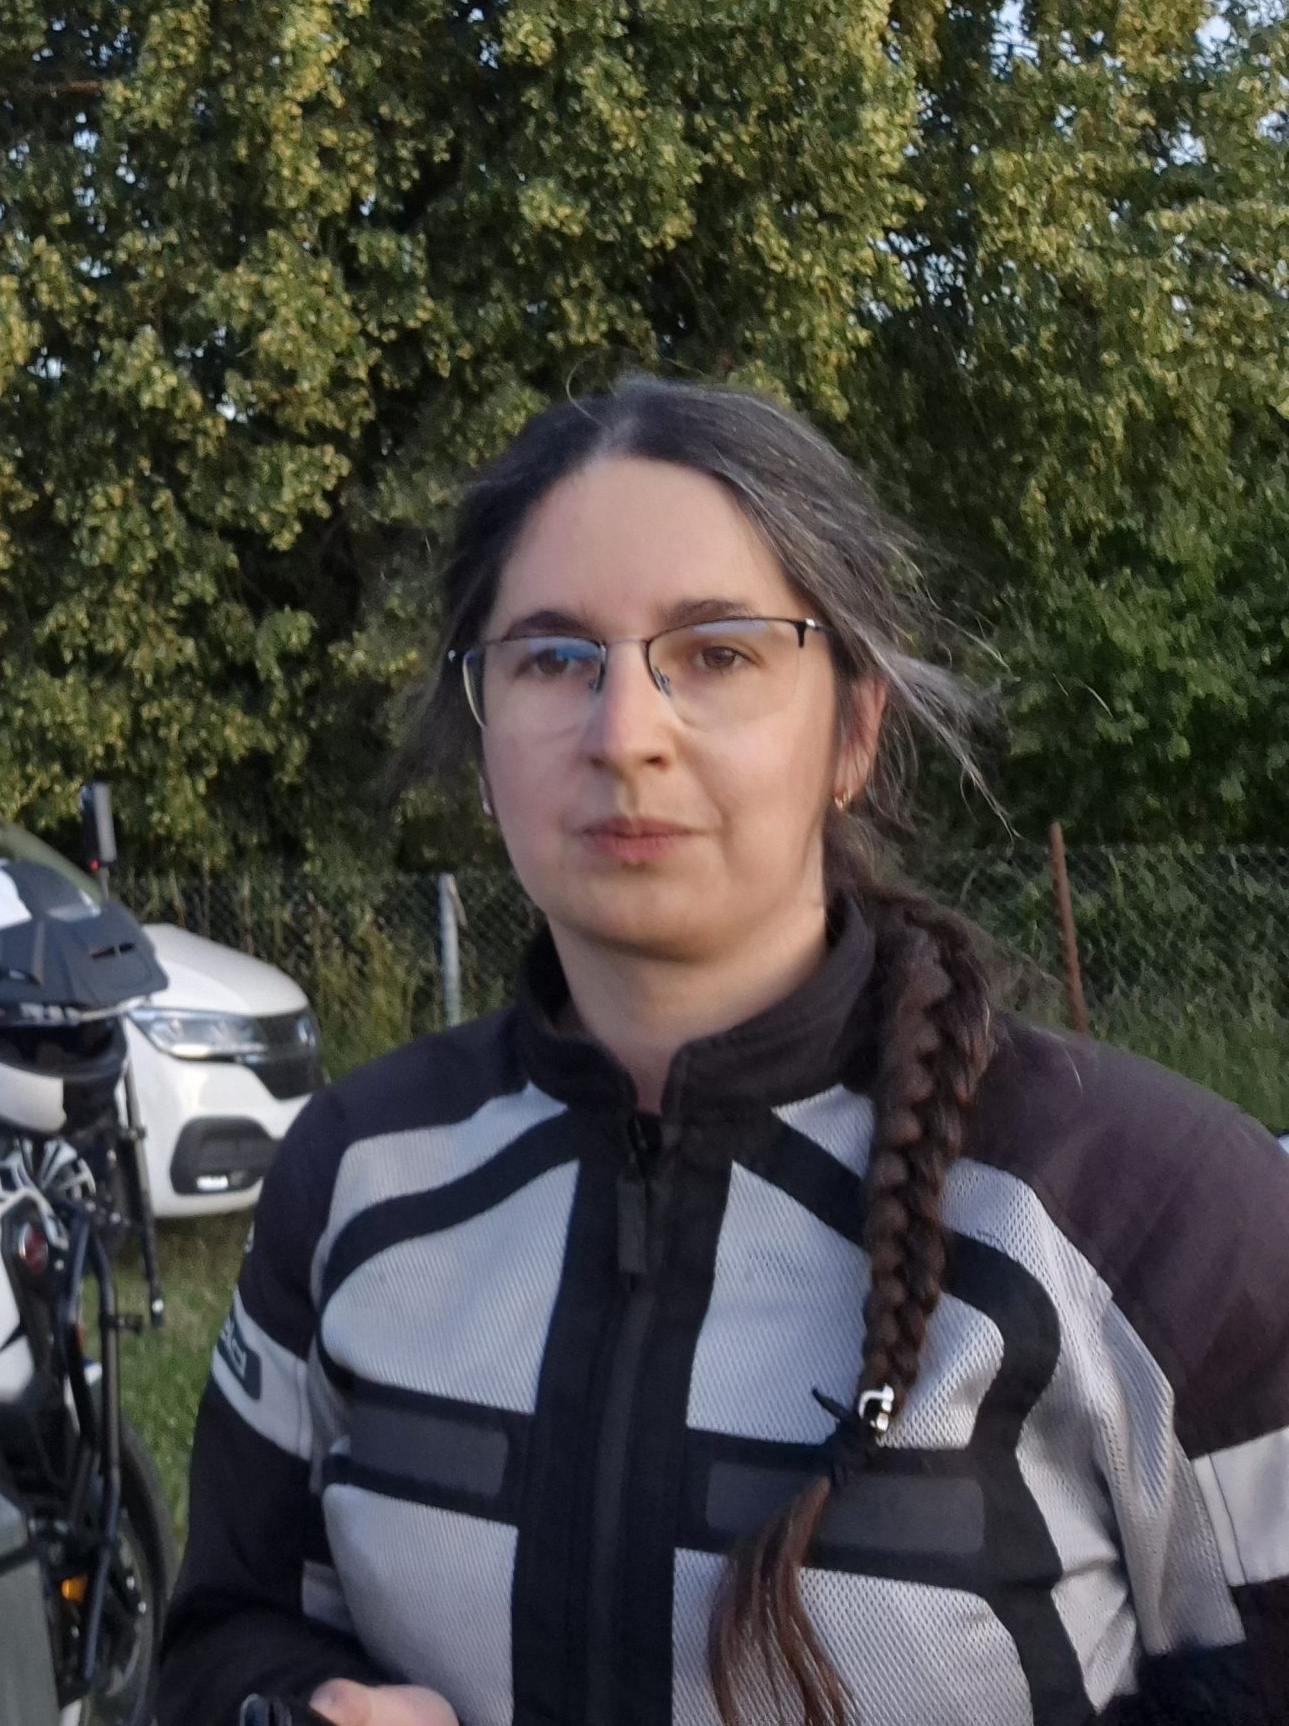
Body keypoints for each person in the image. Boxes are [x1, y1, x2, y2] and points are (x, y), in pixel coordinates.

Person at [156, 378, 1289, 1726]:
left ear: (853, 731)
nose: (624, 734)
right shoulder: (354, 1173)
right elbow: (221, 1637)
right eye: (552, 658)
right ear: (481, 731)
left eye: (719, 653)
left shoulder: (1160, 1217)